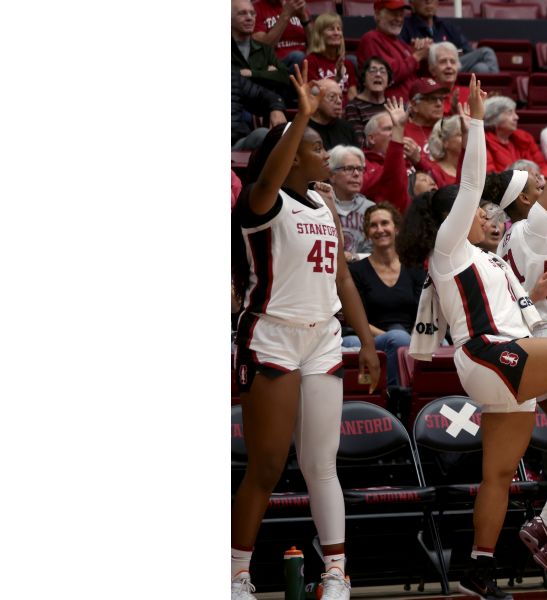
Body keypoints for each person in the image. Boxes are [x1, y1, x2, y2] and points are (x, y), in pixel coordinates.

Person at [394, 77, 547, 598]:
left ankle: (479, 569)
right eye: (478, 213)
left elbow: (524, 316)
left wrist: (534, 292)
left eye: (488, 212)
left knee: (499, 475)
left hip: (507, 359)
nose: (484, 216)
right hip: (487, 352)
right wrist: (476, 121)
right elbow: (470, 187)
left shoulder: (491, 259)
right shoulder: (450, 250)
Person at [231, 65, 382, 600]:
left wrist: (364, 338)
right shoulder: (259, 202)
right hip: (271, 334)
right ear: (290, 156)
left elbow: (340, 273)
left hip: (322, 337)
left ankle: (336, 575)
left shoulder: (322, 204)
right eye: (317, 148)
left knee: (322, 464)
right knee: (268, 466)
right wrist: (301, 115)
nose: (326, 156)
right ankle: (235, 574)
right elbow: (269, 175)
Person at [342, 203, 426, 388]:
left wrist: (412, 337)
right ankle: (395, 398)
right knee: (395, 338)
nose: (380, 229)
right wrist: (394, 336)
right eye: (373, 225)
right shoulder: (356, 271)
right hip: (370, 337)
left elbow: (424, 311)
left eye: (385, 223)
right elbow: (354, 317)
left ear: (396, 228)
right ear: (367, 233)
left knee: (440, 341)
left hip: (409, 335)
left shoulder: (414, 267)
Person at [358, 0, 431, 101]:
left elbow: (421, 77)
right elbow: (388, 75)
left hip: (413, 106)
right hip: (389, 109)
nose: (399, 19)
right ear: (377, 14)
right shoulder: (371, 39)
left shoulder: (402, 44)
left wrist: (425, 57)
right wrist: (417, 56)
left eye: (401, 15)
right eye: (393, 14)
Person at [401, 0, 500, 74]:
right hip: (427, 71)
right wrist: (415, 51)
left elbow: (467, 52)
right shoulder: (404, 26)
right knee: (486, 51)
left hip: (452, 68)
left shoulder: (447, 27)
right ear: (412, 3)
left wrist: (448, 53)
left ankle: (489, 97)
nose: (429, 1)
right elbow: (401, 58)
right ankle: (498, 94)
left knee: (481, 68)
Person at [359, 98, 416, 208]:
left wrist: (419, 161)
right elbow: (363, 188)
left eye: (395, 128)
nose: (394, 133)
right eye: (388, 128)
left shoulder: (409, 159)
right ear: (371, 138)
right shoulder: (361, 163)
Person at [326, 145, 378, 259]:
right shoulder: (320, 205)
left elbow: (378, 252)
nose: (356, 174)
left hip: (362, 271)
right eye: (349, 168)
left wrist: (355, 257)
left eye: (360, 169)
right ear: (332, 175)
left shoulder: (372, 209)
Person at [233, 0, 291, 100]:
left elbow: (285, 77)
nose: (249, 18)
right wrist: (267, 74)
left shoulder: (264, 48)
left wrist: (253, 73)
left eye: (252, 13)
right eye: (242, 13)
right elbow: (235, 78)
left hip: (261, 105)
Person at [484, 96, 547, 175]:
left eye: (515, 112)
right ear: (493, 118)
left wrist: (543, 177)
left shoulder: (525, 137)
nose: (516, 117)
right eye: (510, 113)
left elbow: (543, 166)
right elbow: (490, 176)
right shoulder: (484, 142)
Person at [304, 12, 358, 101]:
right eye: (331, 29)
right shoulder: (310, 61)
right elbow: (314, 94)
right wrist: (336, 79)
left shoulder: (347, 63)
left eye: (339, 29)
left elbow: (352, 95)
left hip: (346, 112)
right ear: (319, 35)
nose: (336, 33)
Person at [404, 78, 452, 174]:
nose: (439, 104)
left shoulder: (449, 131)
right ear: (414, 105)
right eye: (432, 99)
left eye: (441, 99)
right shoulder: (402, 132)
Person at [232, 71, 288, 147]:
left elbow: (265, 95)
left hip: (236, 142)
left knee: (262, 135)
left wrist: (276, 108)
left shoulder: (233, 78)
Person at [345, 58, 393, 140]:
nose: (378, 74)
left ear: (388, 82)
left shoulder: (393, 105)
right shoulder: (353, 107)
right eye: (372, 71)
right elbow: (359, 142)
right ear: (363, 79)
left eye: (383, 71)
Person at [253, 0, 309, 68]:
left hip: (306, 60)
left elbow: (317, 44)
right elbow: (262, 49)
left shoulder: (296, 4)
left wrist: (305, 19)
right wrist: (286, 15)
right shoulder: (256, 8)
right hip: (277, 64)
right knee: (298, 57)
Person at [309, 79, 361, 150]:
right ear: (315, 99)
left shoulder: (347, 128)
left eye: (341, 97)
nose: (339, 101)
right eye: (332, 97)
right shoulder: (302, 129)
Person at [428, 111, 467, 189]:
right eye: (461, 134)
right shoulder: (434, 171)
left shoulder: (471, 168)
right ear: (445, 142)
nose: (467, 138)